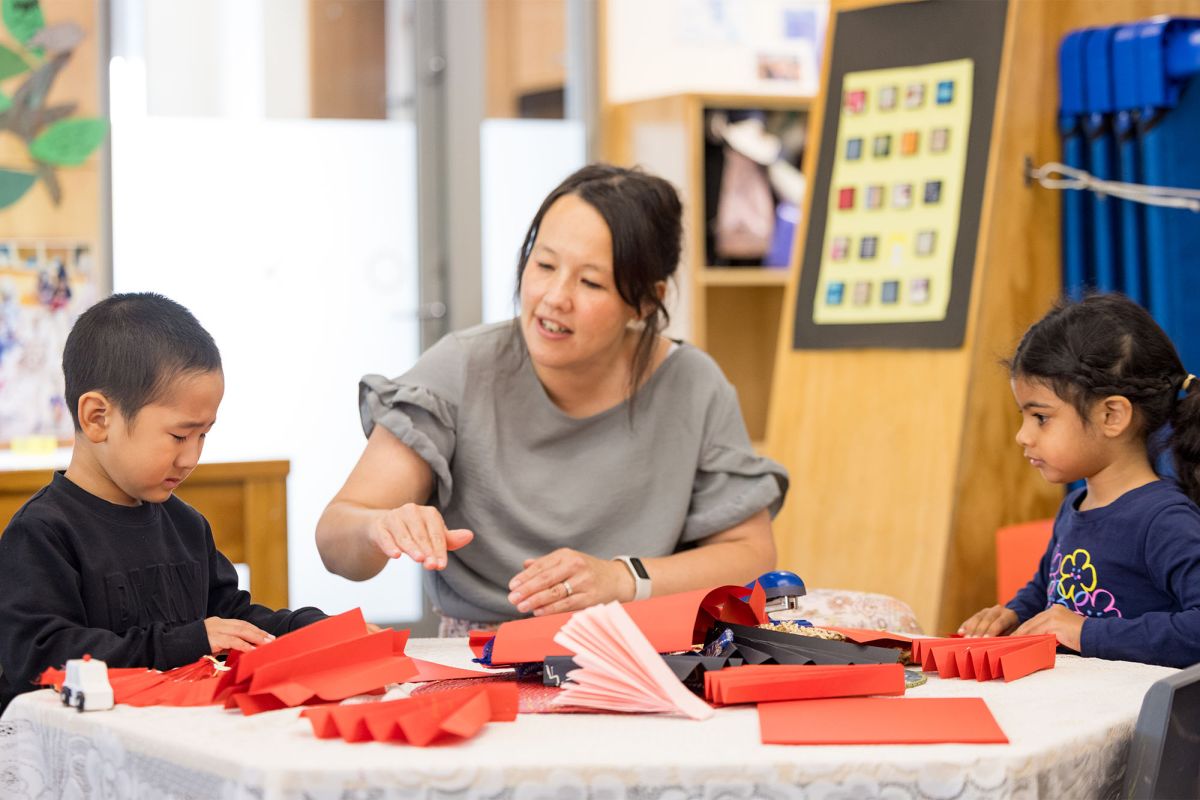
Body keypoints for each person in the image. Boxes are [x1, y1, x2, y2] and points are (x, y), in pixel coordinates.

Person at [317, 164, 789, 634]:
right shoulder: (462, 368)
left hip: (646, 649)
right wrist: (378, 530)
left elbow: (750, 554)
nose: (554, 297)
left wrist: (623, 578)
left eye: (591, 283)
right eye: (543, 265)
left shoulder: (692, 384)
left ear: (647, 300)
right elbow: (337, 541)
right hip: (480, 656)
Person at [0, 293, 326, 713]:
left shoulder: (187, 525)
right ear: (98, 418)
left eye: (203, 435)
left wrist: (309, 630)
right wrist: (186, 642)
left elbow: (229, 618)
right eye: (179, 436)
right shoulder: (42, 533)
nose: (191, 458)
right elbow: (41, 657)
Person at [958, 293, 1200, 668]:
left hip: (1133, 723)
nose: (1023, 436)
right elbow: (1047, 591)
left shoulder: (1164, 520)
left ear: (1111, 415)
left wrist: (1086, 633)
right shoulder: (1075, 506)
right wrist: (1014, 614)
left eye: (1040, 417)